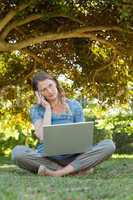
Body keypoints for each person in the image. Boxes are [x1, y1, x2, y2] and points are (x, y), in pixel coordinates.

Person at [12, 71, 116, 177]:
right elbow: (42, 137)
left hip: (74, 157)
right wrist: (47, 108)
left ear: (55, 83)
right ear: (39, 94)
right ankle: (74, 170)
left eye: (50, 85)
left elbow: (82, 136)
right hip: (48, 158)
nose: (49, 91)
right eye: (43, 90)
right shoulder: (36, 110)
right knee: (18, 153)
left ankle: (57, 173)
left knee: (109, 145)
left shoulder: (74, 105)